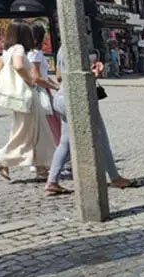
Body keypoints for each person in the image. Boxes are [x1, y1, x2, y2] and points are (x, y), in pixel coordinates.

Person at [45, 46, 136, 196]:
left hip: (61, 97)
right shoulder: (77, 46)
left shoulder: (62, 48)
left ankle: (52, 181)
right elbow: (79, 82)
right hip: (76, 99)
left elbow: (60, 77)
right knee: (101, 138)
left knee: (65, 142)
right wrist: (94, 74)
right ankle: (115, 177)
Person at [0, 20, 56, 181]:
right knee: (28, 132)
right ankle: (2, 159)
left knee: (35, 130)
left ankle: (42, 167)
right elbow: (19, 66)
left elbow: (0, 69)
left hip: (18, 97)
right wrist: (29, 81)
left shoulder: (7, 50)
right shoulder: (19, 48)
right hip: (26, 95)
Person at [28, 22, 61, 146]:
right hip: (40, 91)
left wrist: (53, 84)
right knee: (51, 123)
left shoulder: (27, 52)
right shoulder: (35, 53)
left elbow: (43, 75)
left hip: (37, 89)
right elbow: (37, 78)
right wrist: (55, 87)